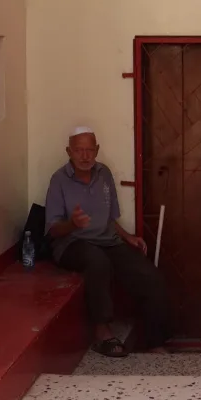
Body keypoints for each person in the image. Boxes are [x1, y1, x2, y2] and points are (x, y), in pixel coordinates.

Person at [45, 127, 170, 358]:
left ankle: (155, 342)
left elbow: (110, 219)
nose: (85, 156)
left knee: (149, 275)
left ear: (97, 150)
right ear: (68, 151)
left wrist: (128, 237)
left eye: (89, 150)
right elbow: (53, 230)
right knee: (97, 262)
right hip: (71, 243)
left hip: (107, 240)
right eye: (79, 150)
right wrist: (72, 224)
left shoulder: (104, 174)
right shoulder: (59, 180)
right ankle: (102, 332)